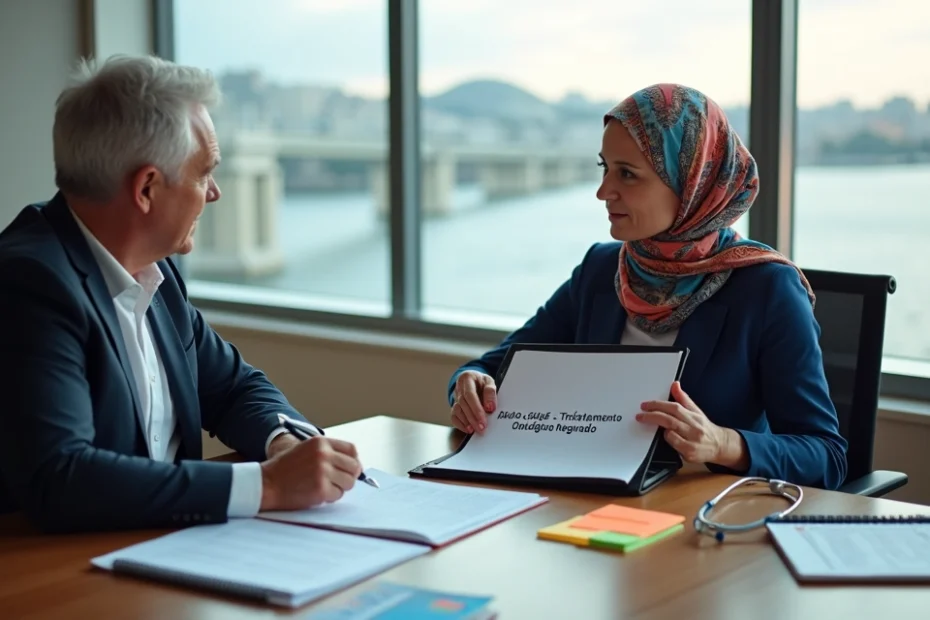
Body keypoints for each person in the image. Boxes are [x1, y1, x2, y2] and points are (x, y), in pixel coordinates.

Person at [0, 55, 365, 533]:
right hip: (57, 566)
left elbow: (233, 388)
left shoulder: (158, 274)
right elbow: (61, 475)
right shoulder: (29, 283)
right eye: (203, 173)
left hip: (168, 547)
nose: (214, 193)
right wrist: (268, 486)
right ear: (147, 188)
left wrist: (282, 442)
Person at [447, 83, 848, 490]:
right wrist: (471, 385)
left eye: (627, 174)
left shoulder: (768, 288)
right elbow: (491, 367)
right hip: (587, 499)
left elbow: (826, 457)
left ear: (690, 183)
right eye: (605, 168)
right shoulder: (601, 269)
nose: (603, 191)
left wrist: (721, 443)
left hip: (700, 516)